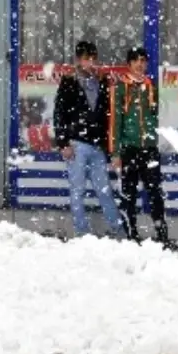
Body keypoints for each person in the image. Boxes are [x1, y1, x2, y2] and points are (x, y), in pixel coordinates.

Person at [53, 41, 127, 240]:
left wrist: (110, 148)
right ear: (78, 60)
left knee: (105, 192)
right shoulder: (69, 81)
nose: (91, 62)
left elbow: (107, 116)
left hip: (97, 146)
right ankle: (81, 233)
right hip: (76, 144)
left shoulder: (102, 82)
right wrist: (63, 143)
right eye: (86, 58)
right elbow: (59, 114)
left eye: (93, 58)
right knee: (77, 191)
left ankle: (118, 232)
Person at [109, 47, 176, 250]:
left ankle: (162, 236)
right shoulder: (120, 87)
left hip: (149, 149)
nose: (140, 64)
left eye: (143, 61)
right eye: (136, 60)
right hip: (129, 149)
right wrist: (116, 153)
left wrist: (156, 140)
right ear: (128, 64)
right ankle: (132, 236)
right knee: (128, 194)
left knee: (155, 193)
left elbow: (155, 117)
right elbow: (115, 121)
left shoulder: (151, 86)